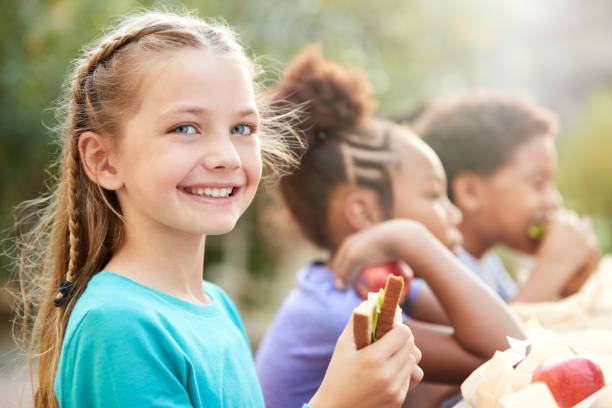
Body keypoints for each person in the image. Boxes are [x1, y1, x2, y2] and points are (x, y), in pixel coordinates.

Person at [12, 11, 423, 408]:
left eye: (242, 128)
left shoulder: (217, 304)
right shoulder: (117, 326)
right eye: (185, 128)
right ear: (104, 161)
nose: (226, 156)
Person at [255, 45, 525, 408]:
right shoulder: (338, 312)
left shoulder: (373, 285)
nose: (454, 213)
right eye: (433, 194)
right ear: (363, 212)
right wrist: (413, 240)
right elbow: (512, 355)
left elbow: (507, 329)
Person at [413, 92, 600, 302]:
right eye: (538, 183)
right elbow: (508, 332)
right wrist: (551, 270)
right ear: (470, 192)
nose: (554, 200)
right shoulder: (437, 273)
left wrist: (564, 288)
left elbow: (520, 315)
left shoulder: (487, 263)